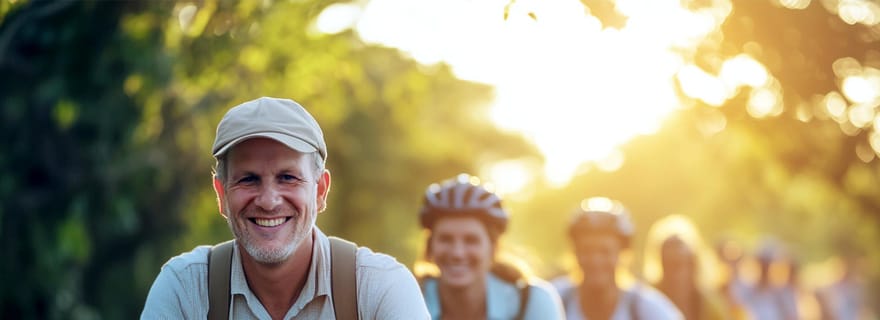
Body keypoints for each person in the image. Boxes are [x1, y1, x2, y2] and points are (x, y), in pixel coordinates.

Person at [141, 97, 429, 319]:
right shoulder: (185, 288)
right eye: (248, 179)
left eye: (287, 178)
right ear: (221, 195)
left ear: (320, 190)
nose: (268, 201)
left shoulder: (380, 288)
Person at [416, 174, 565, 320]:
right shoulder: (409, 300)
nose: (457, 253)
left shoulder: (532, 301)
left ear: (493, 247)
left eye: (471, 240)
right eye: (445, 239)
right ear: (430, 245)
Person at [554, 197, 682, 320]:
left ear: (623, 254)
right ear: (574, 252)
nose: (595, 260)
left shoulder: (648, 309)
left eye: (605, 252)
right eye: (586, 250)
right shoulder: (555, 301)